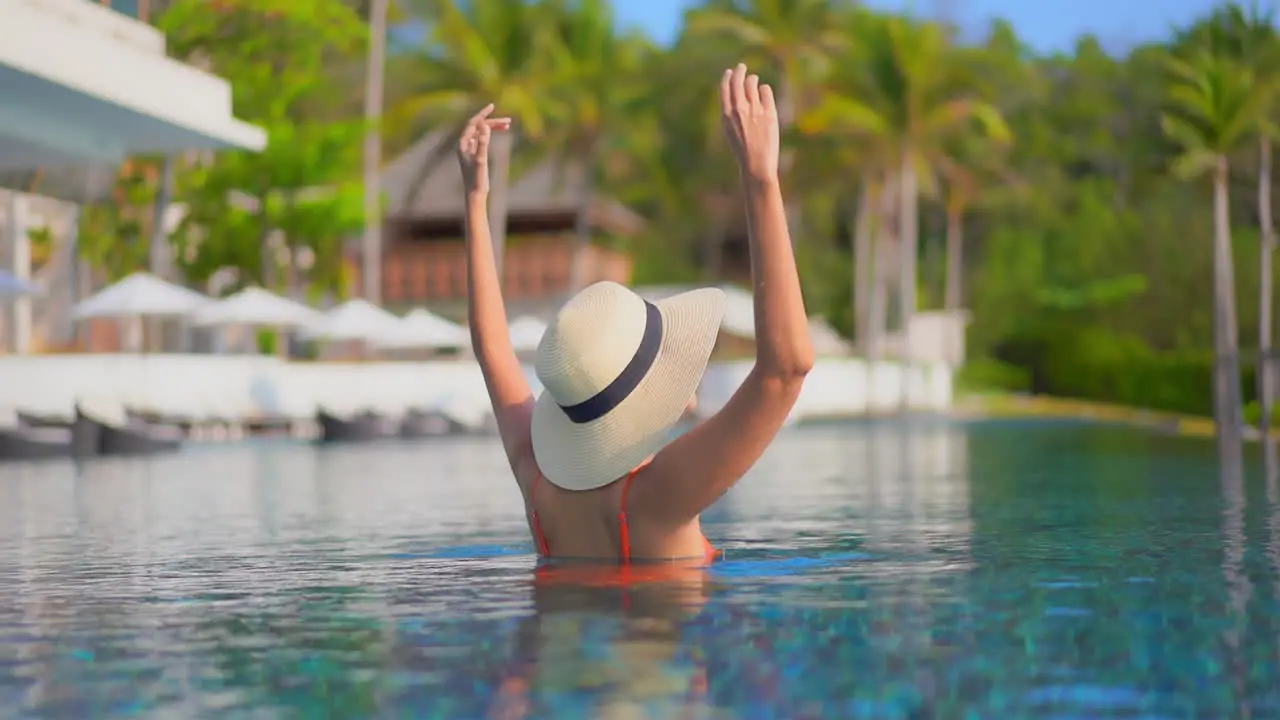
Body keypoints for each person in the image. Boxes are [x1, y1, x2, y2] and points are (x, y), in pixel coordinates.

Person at [457, 62, 814, 563]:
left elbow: (491, 348)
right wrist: (760, 180)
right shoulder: (662, 496)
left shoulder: (534, 481)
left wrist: (475, 200)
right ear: (656, 395)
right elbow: (785, 371)